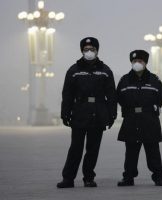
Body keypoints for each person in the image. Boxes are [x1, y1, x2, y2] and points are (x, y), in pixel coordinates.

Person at [57, 37, 117, 188]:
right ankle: (68, 178)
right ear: (82, 51)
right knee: (75, 148)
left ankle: (88, 178)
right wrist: (65, 113)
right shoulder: (74, 70)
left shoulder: (105, 71)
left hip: (98, 114)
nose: (89, 52)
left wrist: (112, 114)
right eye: (86, 49)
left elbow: (111, 95)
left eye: (92, 49)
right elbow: (67, 94)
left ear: (97, 51)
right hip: (79, 114)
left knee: (93, 149)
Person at [116, 49, 162, 186]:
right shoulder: (124, 80)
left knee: (153, 152)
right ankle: (128, 177)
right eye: (134, 61)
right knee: (131, 152)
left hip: (149, 120)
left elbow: (159, 99)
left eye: (140, 61)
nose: (137, 63)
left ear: (145, 62)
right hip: (131, 119)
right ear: (131, 62)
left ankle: (158, 177)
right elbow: (119, 98)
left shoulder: (154, 80)